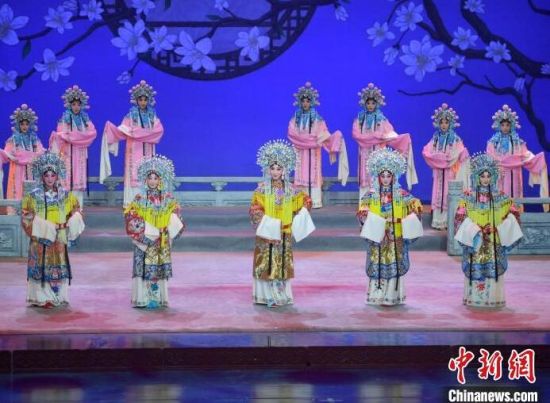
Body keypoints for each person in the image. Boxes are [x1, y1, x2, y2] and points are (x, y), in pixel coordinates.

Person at [454, 153, 523, 308]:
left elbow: (514, 216)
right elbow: (459, 218)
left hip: (493, 241)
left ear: (493, 177)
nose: (485, 179)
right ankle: (475, 299)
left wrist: (498, 228)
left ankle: (493, 299)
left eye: (488, 176)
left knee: (493, 268)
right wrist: (476, 229)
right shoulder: (468, 197)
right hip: (476, 241)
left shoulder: (502, 198)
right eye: (482, 176)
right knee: (475, 267)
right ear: (477, 177)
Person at [249, 140, 312, 307]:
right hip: (267, 233)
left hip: (284, 233)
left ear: (285, 169)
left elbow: (306, 201)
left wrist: (300, 214)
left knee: (281, 264)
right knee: (266, 263)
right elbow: (255, 209)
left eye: (279, 168)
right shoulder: (261, 190)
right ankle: (266, 296)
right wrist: (267, 222)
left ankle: (281, 295)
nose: (275, 172)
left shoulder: (292, 190)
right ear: (267, 169)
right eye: (273, 168)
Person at [356, 147, 422, 306]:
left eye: (388, 176)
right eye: (383, 176)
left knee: (394, 263)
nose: (385, 179)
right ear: (378, 176)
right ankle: (376, 295)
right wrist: (374, 219)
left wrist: (402, 220)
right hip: (378, 237)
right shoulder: (371, 195)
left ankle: (392, 295)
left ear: (394, 176)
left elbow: (417, 206)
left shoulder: (402, 195)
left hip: (395, 237)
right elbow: (362, 211)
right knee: (377, 263)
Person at [21, 152, 84, 308]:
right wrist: (47, 227)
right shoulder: (32, 196)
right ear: (42, 176)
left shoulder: (66, 195)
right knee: (41, 265)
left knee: (58, 265)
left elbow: (76, 210)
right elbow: (26, 217)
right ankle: (41, 297)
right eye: (46, 175)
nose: (50, 178)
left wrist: (73, 219)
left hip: (59, 238)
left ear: (57, 176)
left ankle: (58, 296)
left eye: (53, 175)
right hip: (40, 239)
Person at [124, 155, 185, 309]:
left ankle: (159, 298)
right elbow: (131, 216)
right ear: (145, 180)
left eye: (155, 178)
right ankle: (143, 298)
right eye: (149, 178)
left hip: (160, 241)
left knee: (159, 268)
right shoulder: (139, 198)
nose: (152, 181)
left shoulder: (167, 198)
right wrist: (148, 228)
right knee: (143, 268)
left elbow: (176, 214)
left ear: (160, 180)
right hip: (145, 240)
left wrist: (166, 224)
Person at [100, 80, 164, 206]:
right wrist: (112, 129)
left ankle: (148, 202)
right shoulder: (130, 116)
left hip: (148, 151)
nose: (143, 102)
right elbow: (123, 130)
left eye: (145, 100)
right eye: (140, 100)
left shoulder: (152, 116)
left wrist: (135, 133)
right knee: (133, 174)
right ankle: (132, 204)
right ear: (136, 100)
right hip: (133, 151)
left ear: (149, 100)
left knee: (149, 173)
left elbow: (158, 131)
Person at [287, 82, 348, 208]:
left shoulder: (317, 119)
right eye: (303, 101)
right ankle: (301, 200)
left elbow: (322, 135)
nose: (305, 104)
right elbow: (292, 133)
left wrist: (310, 140)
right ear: (300, 102)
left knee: (313, 173)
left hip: (314, 152)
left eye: (307, 101)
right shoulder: (295, 118)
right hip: (300, 151)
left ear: (312, 102)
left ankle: (314, 201)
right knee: (300, 172)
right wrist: (309, 139)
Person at [352, 83, 418, 199]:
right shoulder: (360, 119)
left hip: (378, 153)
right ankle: (364, 202)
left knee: (379, 175)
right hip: (365, 153)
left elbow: (390, 135)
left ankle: (379, 202)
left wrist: (401, 138)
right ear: (364, 103)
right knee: (365, 176)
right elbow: (356, 135)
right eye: (368, 103)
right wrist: (377, 137)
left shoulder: (382, 119)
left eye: (373, 103)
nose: (370, 106)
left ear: (377, 104)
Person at [486, 104, 548, 211]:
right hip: (500, 172)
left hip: (515, 172)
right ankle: (500, 216)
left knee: (516, 194)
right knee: (501, 194)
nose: (505, 127)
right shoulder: (493, 142)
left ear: (512, 126)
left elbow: (524, 155)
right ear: (499, 126)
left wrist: (535, 159)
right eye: (503, 125)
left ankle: (516, 214)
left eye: (507, 125)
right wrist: (498, 165)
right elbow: (490, 156)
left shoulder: (518, 142)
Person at [422, 103, 470, 230]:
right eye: (441, 122)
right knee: (438, 193)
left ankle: (449, 222)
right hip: (439, 173)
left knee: (448, 193)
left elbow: (459, 152)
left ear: (451, 123)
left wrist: (447, 159)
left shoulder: (455, 139)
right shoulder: (435, 138)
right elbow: (427, 151)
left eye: (446, 122)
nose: (444, 125)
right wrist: (438, 158)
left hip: (450, 172)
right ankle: (438, 221)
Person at [49, 85, 97, 207]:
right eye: (74, 104)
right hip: (67, 154)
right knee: (67, 180)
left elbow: (92, 133)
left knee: (78, 181)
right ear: (69, 105)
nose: (76, 107)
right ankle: (65, 208)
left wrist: (73, 137)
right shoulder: (65, 118)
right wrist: (79, 136)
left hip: (79, 154)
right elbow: (61, 134)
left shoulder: (85, 118)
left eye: (78, 104)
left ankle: (77, 208)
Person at [4, 104, 45, 200]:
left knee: (31, 190)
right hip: (18, 169)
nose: (24, 126)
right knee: (18, 188)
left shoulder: (34, 138)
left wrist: (32, 157)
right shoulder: (13, 139)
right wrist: (13, 157)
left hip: (31, 168)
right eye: (22, 124)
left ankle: (31, 206)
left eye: (27, 124)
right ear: (18, 125)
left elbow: (40, 151)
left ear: (30, 125)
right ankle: (16, 207)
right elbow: (6, 153)